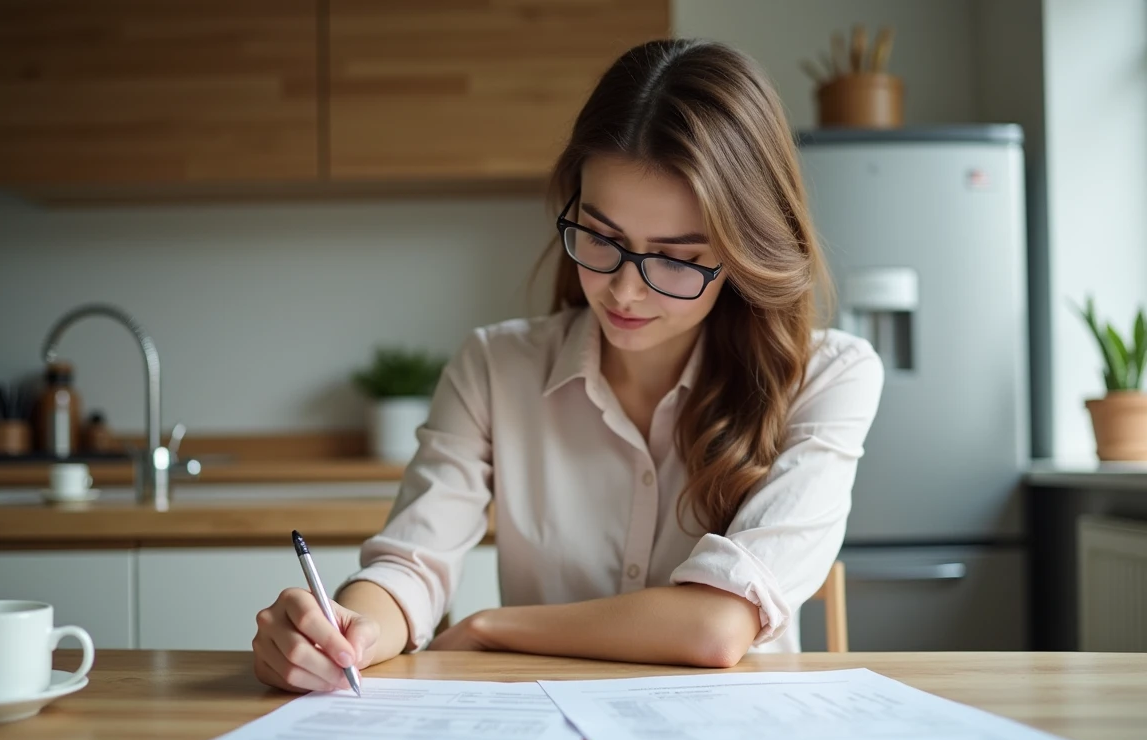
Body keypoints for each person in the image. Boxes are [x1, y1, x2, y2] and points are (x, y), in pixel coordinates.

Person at [252, 38, 884, 693]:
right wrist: (345, 632)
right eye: (601, 237)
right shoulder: (494, 367)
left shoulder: (827, 378)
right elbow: (411, 568)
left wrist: (495, 627)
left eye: (675, 257)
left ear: (745, 251)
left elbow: (716, 627)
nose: (625, 291)